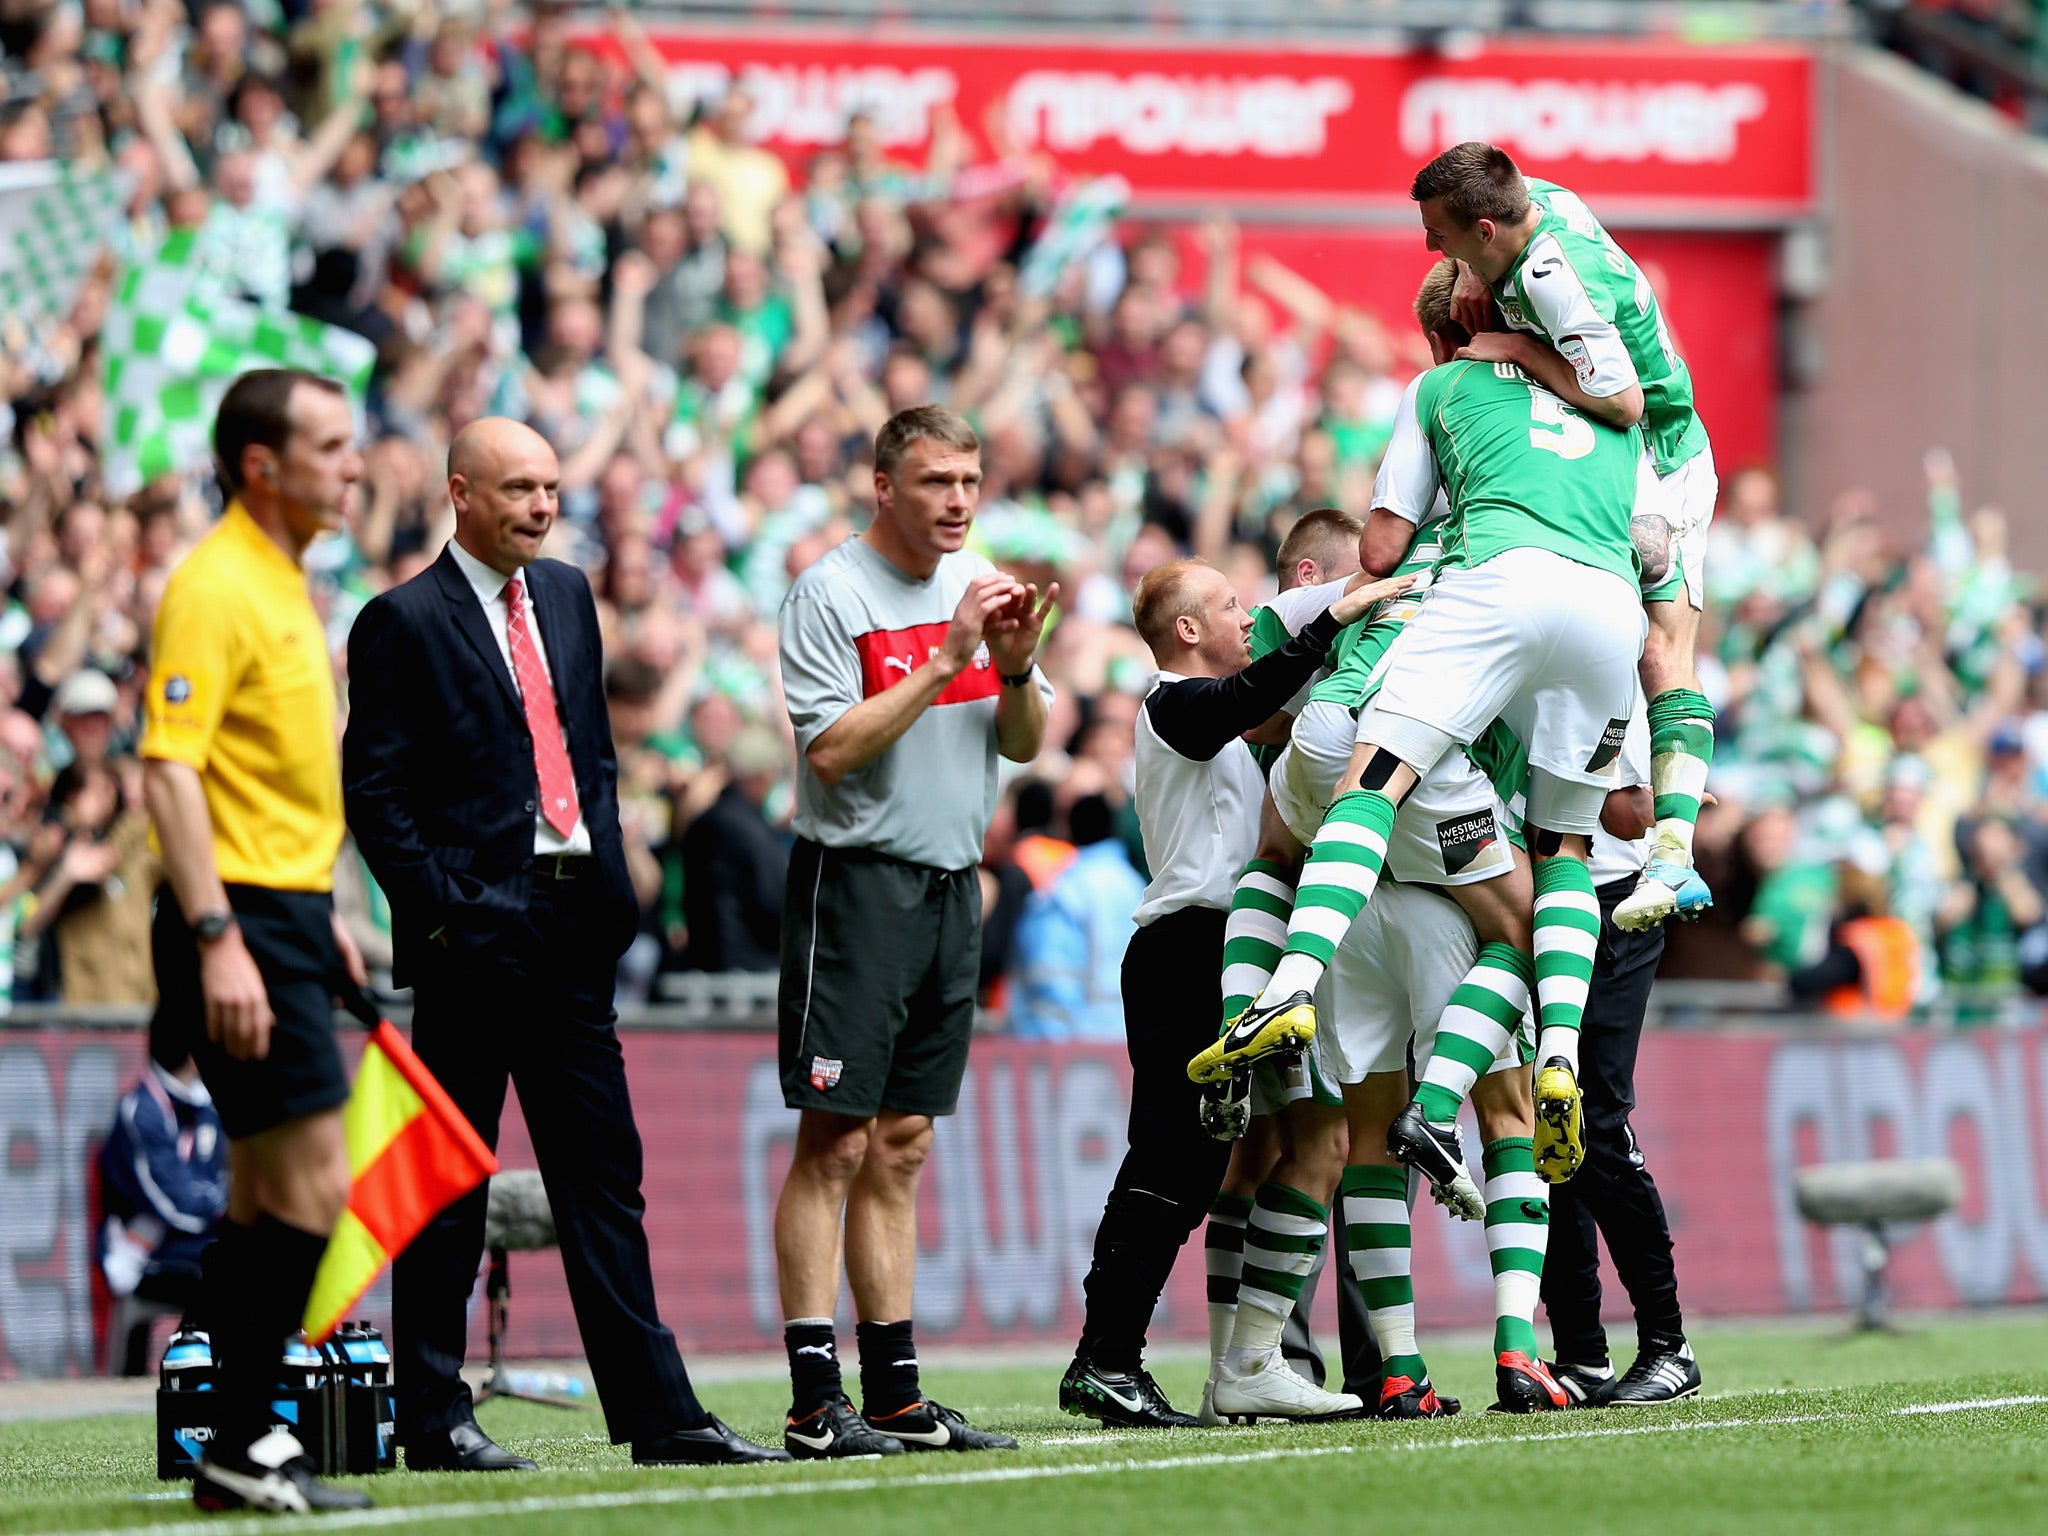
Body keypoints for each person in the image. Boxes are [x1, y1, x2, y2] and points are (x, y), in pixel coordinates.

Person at [343, 418, 786, 1471]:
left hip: (574, 925)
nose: (542, 506)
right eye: (518, 489)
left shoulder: (568, 596)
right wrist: (448, 910)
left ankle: (661, 1415)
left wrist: (614, 883)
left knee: (604, 1175)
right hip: (473, 937)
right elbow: (374, 791)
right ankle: (434, 1416)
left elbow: (591, 755)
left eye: (549, 487)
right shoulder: (399, 620)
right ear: (460, 493)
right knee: (450, 1181)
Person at [1204, 258, 1647, 1190]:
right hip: (1580, 652)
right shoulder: (1613, 423)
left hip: (1354, 745)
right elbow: (1631, 810)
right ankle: (1507, 1071)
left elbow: (1365, 556)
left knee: (1287, 837)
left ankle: (1268, 991)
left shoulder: (1443, 407)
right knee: (1541, 908)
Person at [1060, 546, 1414, 1428]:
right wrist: (1332, 620)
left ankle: (1211, 1363)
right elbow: (1248, 694)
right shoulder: (1167, 703)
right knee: (1172, 1161)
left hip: (1228, 947)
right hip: (1186, 948)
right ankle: (1106, 1358)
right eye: (1225, 605)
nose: (1242, 613)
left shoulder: (1214, 721)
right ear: (1187, 630)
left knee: (1207, 1163)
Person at [772, 405, 1053, 1458]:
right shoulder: (830, 592)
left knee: (903, 1142)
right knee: (834, 1139)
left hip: (950, 885)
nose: (957, 501)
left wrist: (1016, 668)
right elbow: (830, 753)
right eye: (936, 481)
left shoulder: (974, 581)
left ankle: (892, 1390)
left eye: (970, 481)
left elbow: (1019, 745)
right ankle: (812, 1400)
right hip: (855, 883)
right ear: (881, 485)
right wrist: (944, 661)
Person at [143, 368, 372, 1513]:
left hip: (278, 908)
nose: (355, 463)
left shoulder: (288, 579)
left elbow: (262, 777)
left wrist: (320, 906)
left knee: (254, 1191)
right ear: (260, 465)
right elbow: (169, 773)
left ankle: (234, 1444)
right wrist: (219, 938)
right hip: (231, 913)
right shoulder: (217, 584)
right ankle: (241, 1439)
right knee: (317, 1185)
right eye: (331, 445)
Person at [1412, 142, 1719, 935]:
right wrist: (1476, 277)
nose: (1429, 247)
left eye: (1439, 235)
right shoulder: (1527, 202)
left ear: (1484, 225)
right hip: (1615, 449)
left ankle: (1674, 854)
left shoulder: (1555, 284)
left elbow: (1620, 403)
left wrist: (1515, 346)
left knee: (1661, 650)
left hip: (1658, 448)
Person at [1540, 726, 1702, 1406]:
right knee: (1545, 1125)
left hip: (1613, 902)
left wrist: (1674, 809)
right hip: (1534, 901)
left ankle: (1668, 1344)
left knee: (1596, 1122)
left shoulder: (1607, 677)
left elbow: (1625, 816)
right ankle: (1580, 1353)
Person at [97, 1054, 227, 1376]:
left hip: (195, 1238)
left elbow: (217, 1182)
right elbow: (173, 1201)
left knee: (260, 1252)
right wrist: (218, 1207)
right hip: (143, 1248)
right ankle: (195, 1372)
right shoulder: (142, 1109)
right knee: (227, 1262)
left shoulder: (206, 1109)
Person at [1007, 794, 1144, 1041]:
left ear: (1069, 828)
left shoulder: (1065, 890)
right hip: (1128, 1042)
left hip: (1077, 1050)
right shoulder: (1137, 887)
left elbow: (1050, 980)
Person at [678, 725, 789, 973]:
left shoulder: (703, 821)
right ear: (764, 774)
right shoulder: (749, 829)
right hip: (750, 964)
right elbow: (775, 899)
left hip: (704, 960)